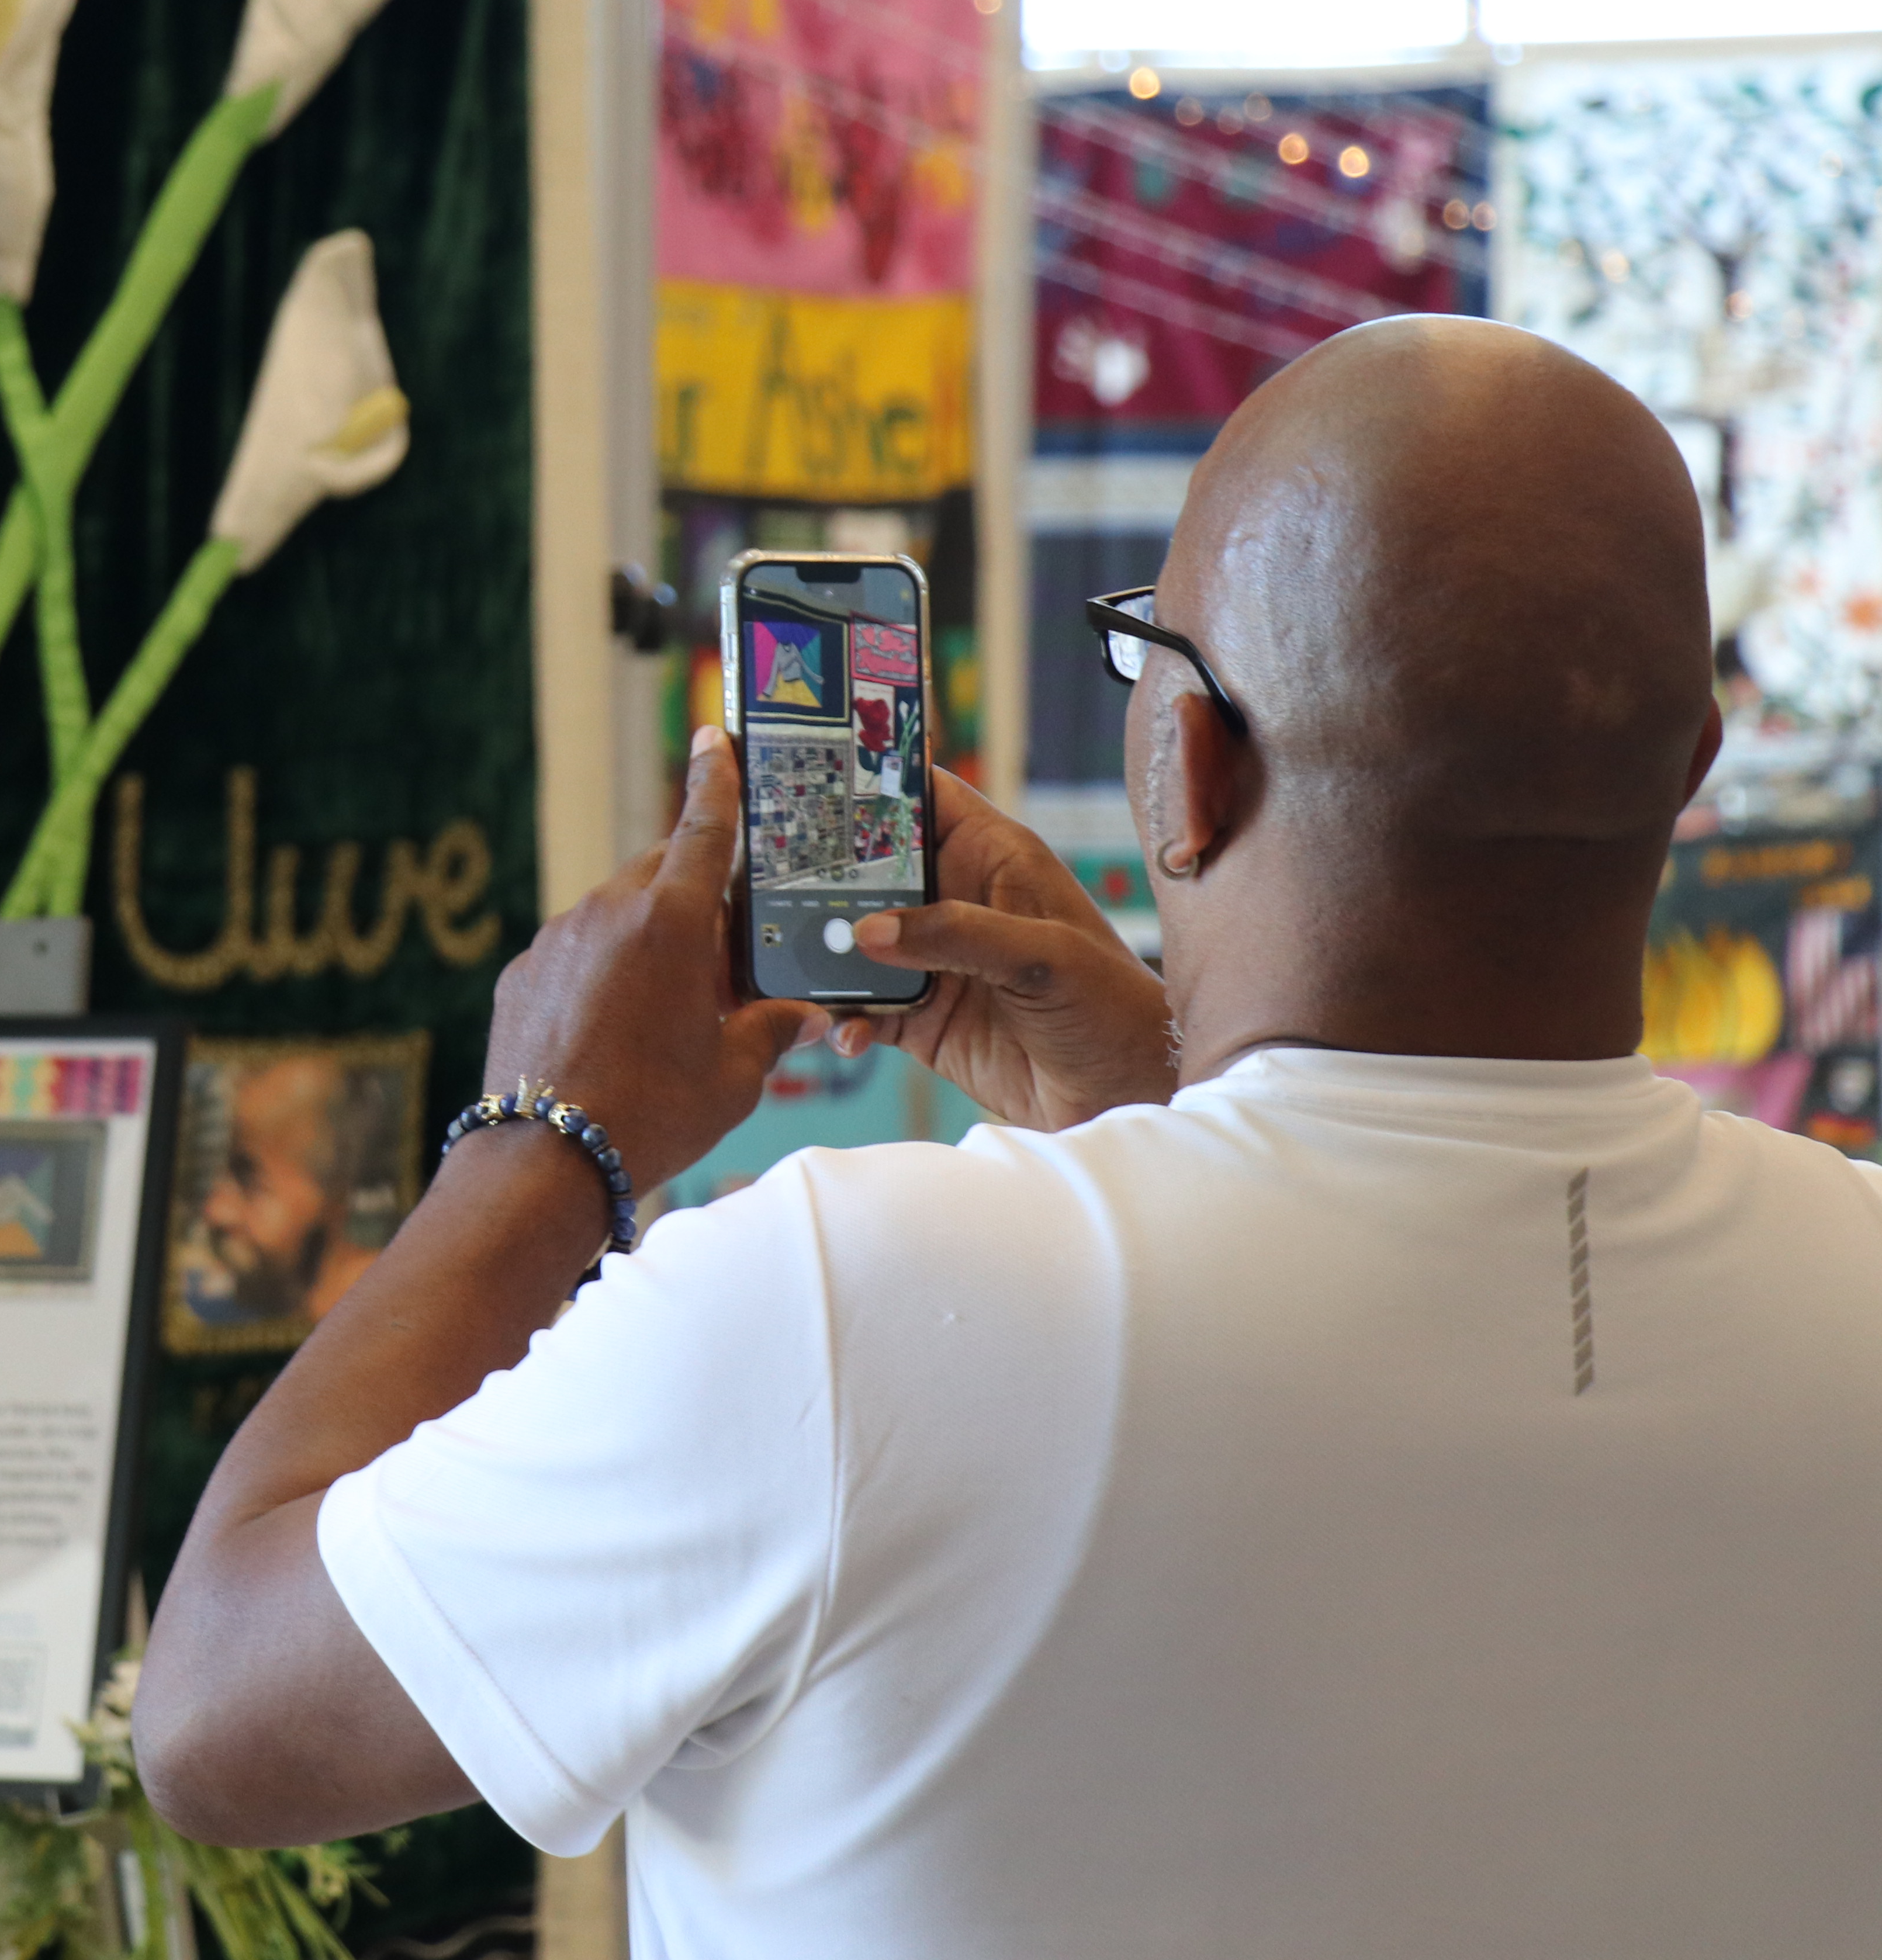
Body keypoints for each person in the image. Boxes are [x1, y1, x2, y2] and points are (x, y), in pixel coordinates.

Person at [138, 318, 1882, 1955]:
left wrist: (543, 1135)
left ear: (1181, 764)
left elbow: (221, 1715)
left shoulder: (843, 1306)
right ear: (1686, 771)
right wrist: (1168, 1118)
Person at [189, 1055, 384, 1330]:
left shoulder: (385, 1308)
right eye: (216, 1178)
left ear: (333, 1189)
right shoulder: (219, 1309)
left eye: (250, 1182)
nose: (216, 1212)